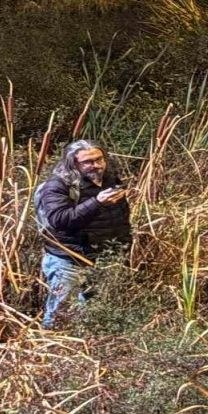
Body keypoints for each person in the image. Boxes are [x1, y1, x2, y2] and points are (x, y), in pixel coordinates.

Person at [34, 140, 132, 329]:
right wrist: (97, 202)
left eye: (99, 159)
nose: (95, 165)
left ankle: (88, 342)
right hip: (69, 257)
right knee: (60, 311)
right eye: (87, 161)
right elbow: (60, 220)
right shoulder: (58, 185)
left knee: (95, 306)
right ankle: (51, 345)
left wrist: (124, 244)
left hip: (103, 255)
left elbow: (120, 215)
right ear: (73, 163)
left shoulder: (110, 179)